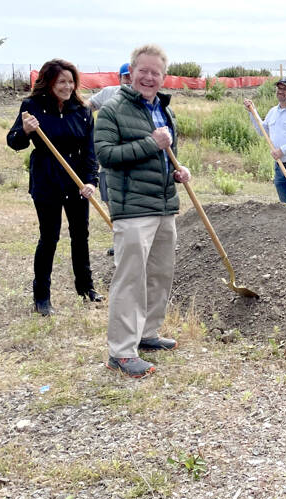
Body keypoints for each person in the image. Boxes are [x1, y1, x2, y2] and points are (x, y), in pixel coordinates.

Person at [94, 44, 191, 378]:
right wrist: (153, 144)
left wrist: (178, 171)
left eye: (156, 72)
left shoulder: (164, 110)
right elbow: (106, 155)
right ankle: (121, 352)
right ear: (131, 72)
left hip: (164, 204)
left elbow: (166, 155)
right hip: (133, 208)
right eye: (143, 71)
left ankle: (147, 334)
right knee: (131, 278)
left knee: (160, 272)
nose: (149, 77)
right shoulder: (113, 109)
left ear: (164, 77)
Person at [6, 58, 102, 316]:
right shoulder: (32, 107)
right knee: (49, 237)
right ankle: (42, 297)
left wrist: (92, 181)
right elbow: (14, 142)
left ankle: (86, 288)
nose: (68, 87)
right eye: (62, 82)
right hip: (47, 179)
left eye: (71, 82)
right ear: (49, 83)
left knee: (80, 235)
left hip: (76, 180)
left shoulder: (82, 110)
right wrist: (25, 131)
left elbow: (90, 151)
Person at [243, 78, 286, 205]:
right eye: (279, 88)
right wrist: (253, 112)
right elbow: (262, 131)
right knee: (284, 209)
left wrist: (282, 150)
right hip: (280, 169)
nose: (281, 91)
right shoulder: (273, 112)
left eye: (285, 89)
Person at [89, 62, 131, 256]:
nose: (130, 81)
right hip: (108, 159)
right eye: (126, 76)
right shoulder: (108, 93)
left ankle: (132, 242)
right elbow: (87, 107)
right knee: (110, 200)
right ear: (119, 77)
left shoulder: (144, 98)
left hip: (131, 162)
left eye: (133, 76)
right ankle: (120, 240)